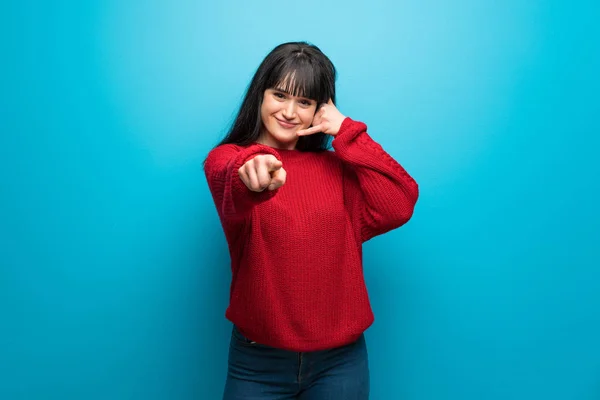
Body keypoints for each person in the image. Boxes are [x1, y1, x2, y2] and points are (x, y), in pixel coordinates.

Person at [203, 41, 419, 400]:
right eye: (280, 95)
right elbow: (231, 177)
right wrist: (254, 167)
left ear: (320, 109)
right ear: (261, 95)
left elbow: (400, 201)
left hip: (340, 363)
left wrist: (347, 130)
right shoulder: (231, 159)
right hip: (258, 363)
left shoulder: (339, 171)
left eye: (304, 102)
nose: (289, 111)